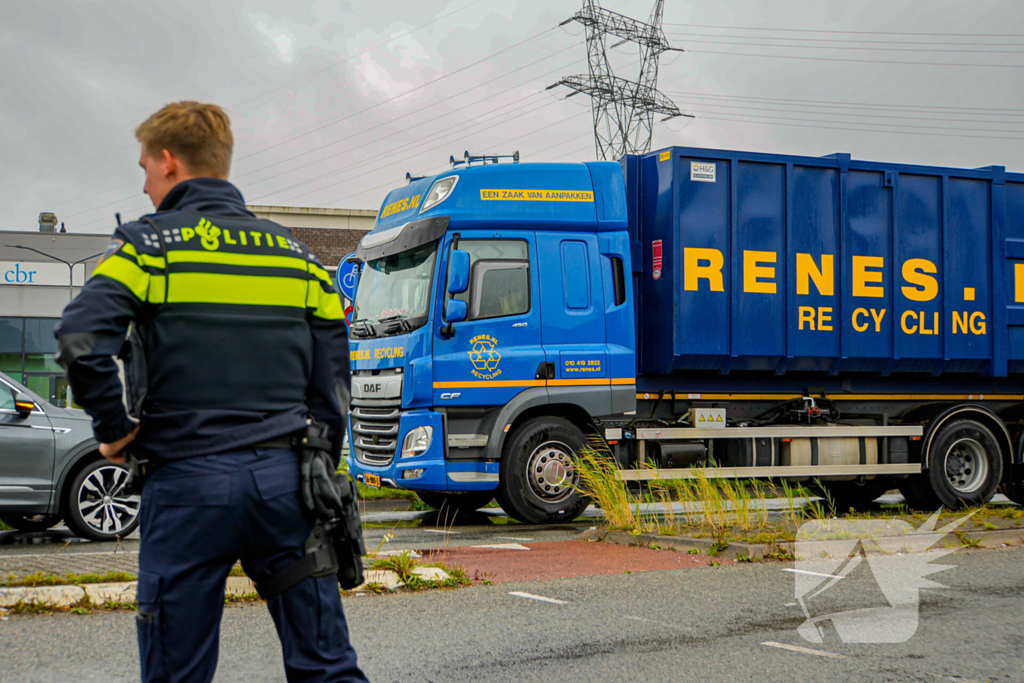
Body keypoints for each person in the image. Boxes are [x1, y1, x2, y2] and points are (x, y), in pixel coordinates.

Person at [56, 101, 368, 683]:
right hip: (288, 492)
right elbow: (333, 378)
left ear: (169, 162)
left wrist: (114, 429)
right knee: (326, 667)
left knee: (178, 672)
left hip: (188, 490)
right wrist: (318, 462)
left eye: (145, 167)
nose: (145, 184)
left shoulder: (148, 248)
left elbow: (80, 337)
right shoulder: (297, 257)